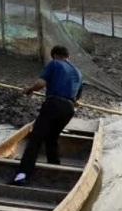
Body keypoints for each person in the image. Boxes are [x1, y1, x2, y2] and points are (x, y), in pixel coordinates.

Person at [12, 45, 84, 186]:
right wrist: (74, 101)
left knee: (35, 139)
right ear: (67, 56)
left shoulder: (54, 64)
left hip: (53, 105)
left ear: (55, 55)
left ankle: (22, 174)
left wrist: (30, 89)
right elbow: (76, 100)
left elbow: (41, 83)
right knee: (52, 138)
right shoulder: (78, 73)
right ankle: (55, 167)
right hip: (68, 110)